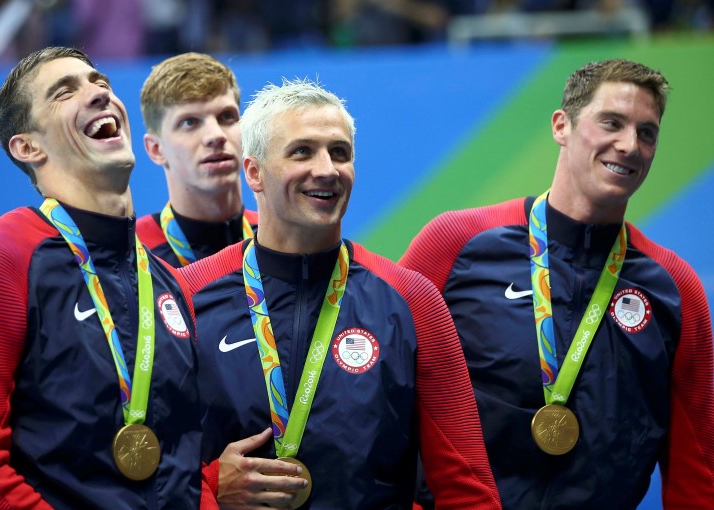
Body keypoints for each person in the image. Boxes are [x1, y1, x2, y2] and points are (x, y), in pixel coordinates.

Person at [400, 59, 714, 508]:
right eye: (612, 123)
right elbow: (380, 395)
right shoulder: (454, 244)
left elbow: (697, 466)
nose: (630, 145)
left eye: (647, 132)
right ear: (561, 126)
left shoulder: (674, 288)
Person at [180, 78, 501, 509]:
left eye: (340, 152)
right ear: (254, 172)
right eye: (302, 151)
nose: (327, 169)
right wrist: (211, 488)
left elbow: (467, 486)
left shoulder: (412, 299)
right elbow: (140, 468)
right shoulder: (187, 297)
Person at [0, 47, 215, 508]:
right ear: (28, 147)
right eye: (65, 92)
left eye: (100, 82)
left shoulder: (162, 280)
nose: (99, 94)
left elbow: (185, 458)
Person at [137, 52, 257, 267]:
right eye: (189, 122)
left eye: (227, 117)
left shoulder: (281, 238)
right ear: (156, 149)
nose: (216, 135)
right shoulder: (133, 253)